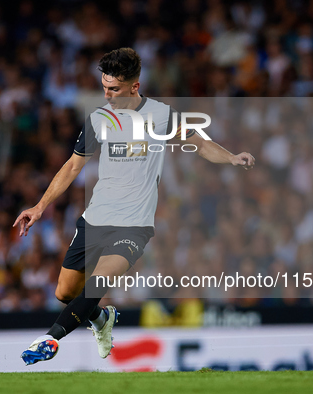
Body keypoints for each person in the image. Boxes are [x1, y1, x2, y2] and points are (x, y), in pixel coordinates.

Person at [13, 47, 255, 365]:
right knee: (65, 294)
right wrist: (40, 206)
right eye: (104, 87)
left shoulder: (159, 116)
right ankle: (101, 320)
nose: (107, 95)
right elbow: (73, 166)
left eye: (113, 89)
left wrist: (232, 157)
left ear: (134, 86)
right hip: (95, 219)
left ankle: (49, 339)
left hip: (133, 225)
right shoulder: (100, 119)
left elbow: (199, 142)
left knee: (98, 281)